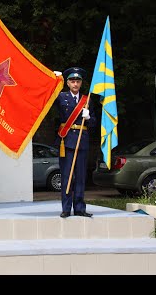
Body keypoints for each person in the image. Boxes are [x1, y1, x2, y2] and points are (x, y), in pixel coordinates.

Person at [53, 67, 96, 218]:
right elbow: (48, 98)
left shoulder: (87, 99)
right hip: (67, 140)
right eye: (72, 81)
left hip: (82, 141)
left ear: (81, 83)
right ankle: (66, 208)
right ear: (68, 83)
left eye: (77, 81)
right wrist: (54, 81)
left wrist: (89, 117)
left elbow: (94, 123)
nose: (75, 84)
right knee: (67, 176)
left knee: (80, 176)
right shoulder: (61, 97)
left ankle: (79, 208)